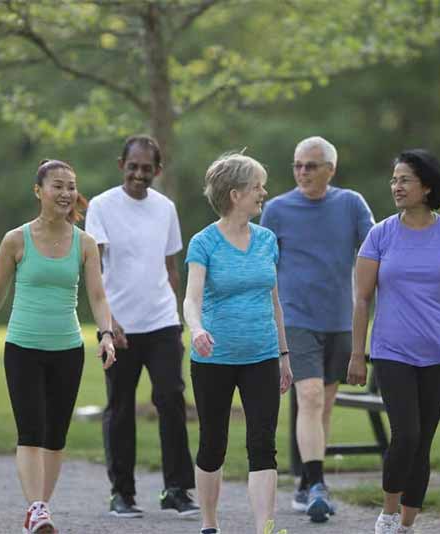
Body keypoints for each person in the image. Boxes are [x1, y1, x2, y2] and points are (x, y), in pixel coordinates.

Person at [0, 159, 117, 534]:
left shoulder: (84, 243)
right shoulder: (16, 239)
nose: (65, 193)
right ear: (38, 191)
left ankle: (39, 510)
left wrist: (107, 334)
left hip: (67, 350)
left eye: (70, 186)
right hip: (23, 348)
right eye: (57, 186)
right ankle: (37, 509)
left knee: (55, 436)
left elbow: (97, 295)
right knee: (31, 430)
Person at [348, 149, 440, 534]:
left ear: (427, 187)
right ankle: (387, 515)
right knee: (406, 434)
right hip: (392, 352)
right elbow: (362, 298)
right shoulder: (381, 234)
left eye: (404, 179)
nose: (396, 186)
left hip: (437, 354)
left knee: (423, 442)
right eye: (394, 180)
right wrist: (358, 353)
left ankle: (406, 524)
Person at [260, 136, 374, 522]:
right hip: (295, 318)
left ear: (331, 169)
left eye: (311, 165)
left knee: (321, 405)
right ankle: (318, 486)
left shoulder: (351, 204)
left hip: (340, 320)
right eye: (297, 165)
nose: (302, 172)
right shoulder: (276, 210)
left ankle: (306, 481)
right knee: (308, 397)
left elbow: (374, 250)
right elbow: (264, 266)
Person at [84, 135, 198, 518]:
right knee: (119, 407)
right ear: (122, 165)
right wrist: (107, 324)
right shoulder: (101, 206)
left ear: (157, 171)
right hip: (119, 327)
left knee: (171, 400)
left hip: (162, 322)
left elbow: (171, 268)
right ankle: (122, 493)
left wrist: (176, 311)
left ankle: (177, 489)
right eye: (132, 166)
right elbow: (94, 271)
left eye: (146, 168)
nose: (138, 174)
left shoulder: (165, 208)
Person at [184, 152, 294, 534]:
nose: (263, 193)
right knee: (213, 442)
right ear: (235, 194)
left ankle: (264, 527)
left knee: (262, 443)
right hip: (214, 358)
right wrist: (196, 329)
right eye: (257, 187)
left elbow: (274, 301)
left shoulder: (267, 241)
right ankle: (209, 524)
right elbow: (191, 299)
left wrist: (283, 354)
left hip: (262, 356)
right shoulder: (204, 242)